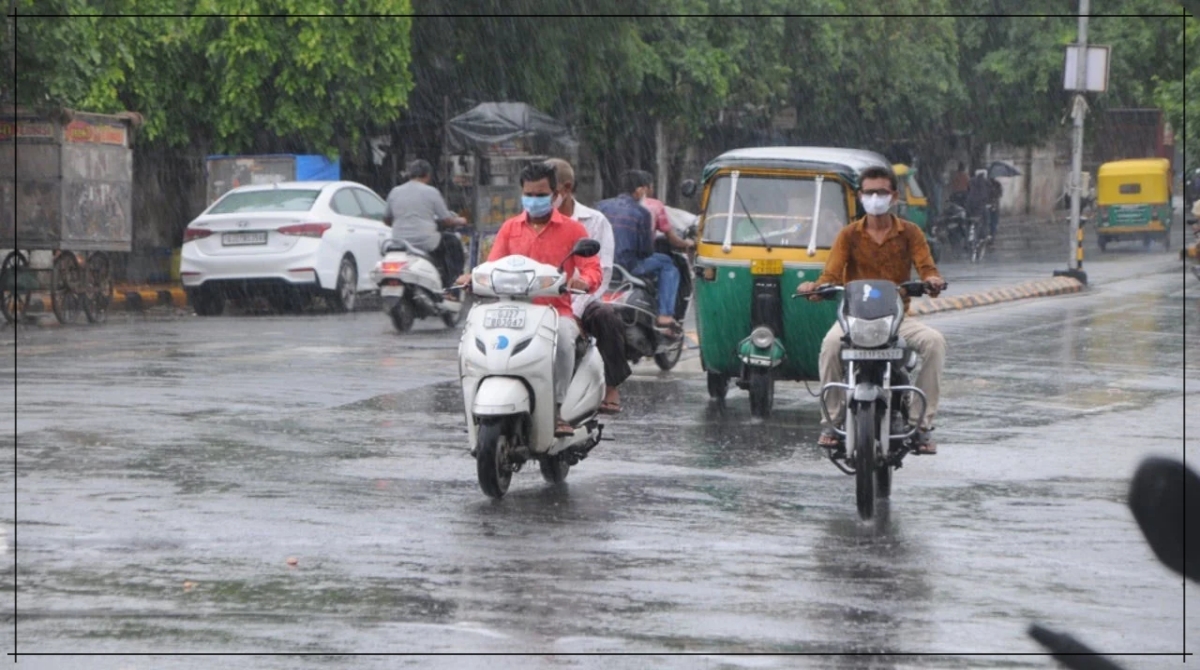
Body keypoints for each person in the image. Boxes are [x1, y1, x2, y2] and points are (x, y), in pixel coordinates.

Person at [795, 166, 948, 455]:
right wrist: (815, 288)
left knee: (935, 343)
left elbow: (928, 270)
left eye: (881, 192)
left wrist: (932, 282)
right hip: (853, 321)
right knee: (829, 346)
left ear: (893, 196)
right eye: (869, 192)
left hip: (896, 320)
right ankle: (832, 420)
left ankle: (921, 425)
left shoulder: (911, 233)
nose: (875, 197)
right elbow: (830, 275)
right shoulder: (849, 235)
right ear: (860, 196)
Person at [456, 162, 602, 437]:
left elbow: (592, 267)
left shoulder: (573, 231)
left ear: (556, 193)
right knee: (472, 343)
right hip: (509, 312)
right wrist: (472, 277)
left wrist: (583, 281)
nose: (534, 200)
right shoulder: (510, 228)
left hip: (556, 312)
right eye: (529, 195)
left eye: (540, 194)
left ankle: (558, 409)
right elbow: (491, 266)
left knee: (563, 343)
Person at [545, 158, 630, 415]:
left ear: (566, 189)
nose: (538, 200)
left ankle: (612, 386)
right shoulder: (532, 223)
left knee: (606, 318)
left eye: (546, 193)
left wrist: (574, 311)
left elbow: (601, 272)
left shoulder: (596, 222)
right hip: (542, 297)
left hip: (582, 299)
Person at [596, 170, 680, 328]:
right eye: (647, 188)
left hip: (601, 264)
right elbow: (646, 250)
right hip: (628, 266)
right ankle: (665, 314)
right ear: (640, 190)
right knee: (668, 264)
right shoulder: (642, 213)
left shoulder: (601, 206)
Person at [384, 159, 469, 289]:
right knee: (453, 244)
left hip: (399, 242)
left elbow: (387, 219)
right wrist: (461, 220)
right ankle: (451, 288)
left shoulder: (395, 191)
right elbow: (447, 220)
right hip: (426, 242)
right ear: (428, 175)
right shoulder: (431, 192)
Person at [636, 170, 696, 254]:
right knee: (669, 264)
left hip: (617, 257)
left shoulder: (613, 206)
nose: (652, 190)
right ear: (645, 189)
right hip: (641, 258)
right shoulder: (655, 206)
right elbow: (672, 239)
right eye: (652, 187)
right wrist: (687, 243)